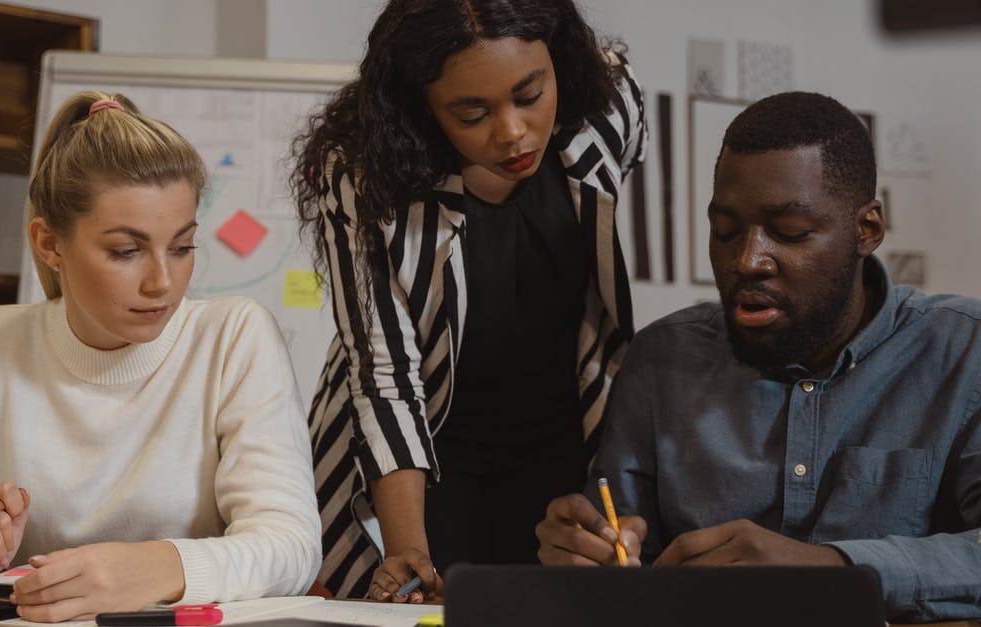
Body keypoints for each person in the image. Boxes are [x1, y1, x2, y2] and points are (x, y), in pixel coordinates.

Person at [535, 91, 981, 622]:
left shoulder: (961, 351)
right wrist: (591, 554)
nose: (747, 260)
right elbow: (624, 546)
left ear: (867, 230)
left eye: (789, 233)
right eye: (725, 231)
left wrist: (833, 569)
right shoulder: (663, 357)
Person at [0, 91, 321, 622]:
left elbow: (292, 546)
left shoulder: (234, 337)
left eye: (183, 247)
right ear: (50, 244)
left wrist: (157, 568)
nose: (163, 282)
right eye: (126, 251)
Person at [292, 0, 646, 601]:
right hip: (422, 449)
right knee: (430, 606)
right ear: (421, 108)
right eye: (473, 112)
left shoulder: (609, 105)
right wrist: (408, 547)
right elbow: (385, 372)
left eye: (530, 95)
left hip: (561, 429)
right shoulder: (360, 168)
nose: (511, 132)